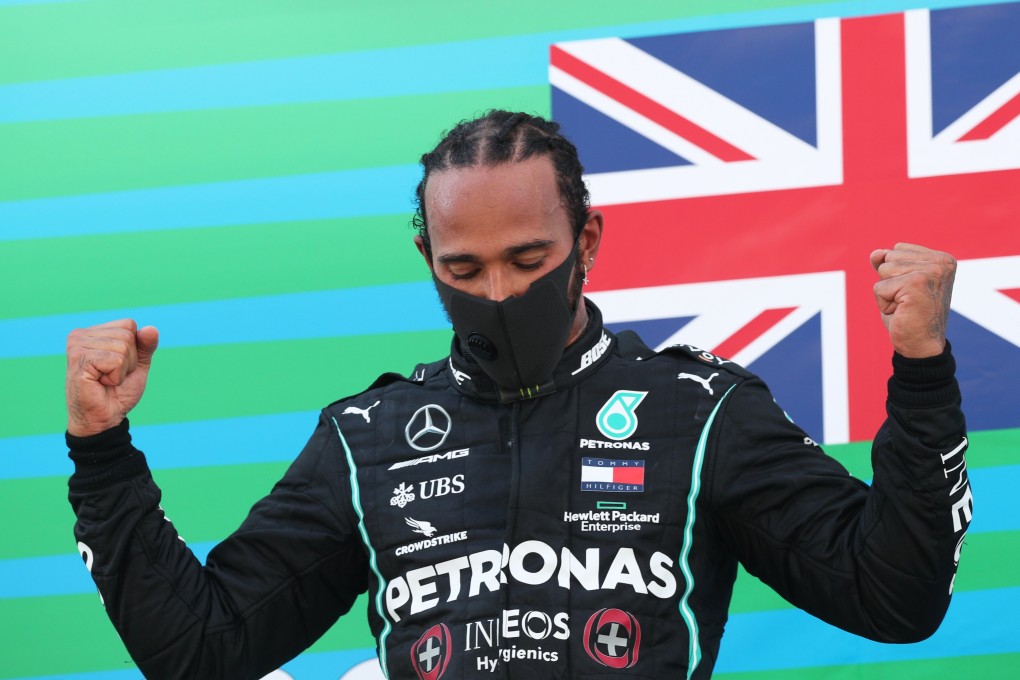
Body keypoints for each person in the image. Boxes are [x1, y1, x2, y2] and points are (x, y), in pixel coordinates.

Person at [65, 111, 971, 680]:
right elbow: (203, 649)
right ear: (427, 261)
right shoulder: (366, 438)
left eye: (528, 260)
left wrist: (923, 370)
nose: (497, 294)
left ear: (588, 241)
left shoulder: (698, 413)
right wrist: (103, 454)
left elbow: (893, 595)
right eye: (464, 267)